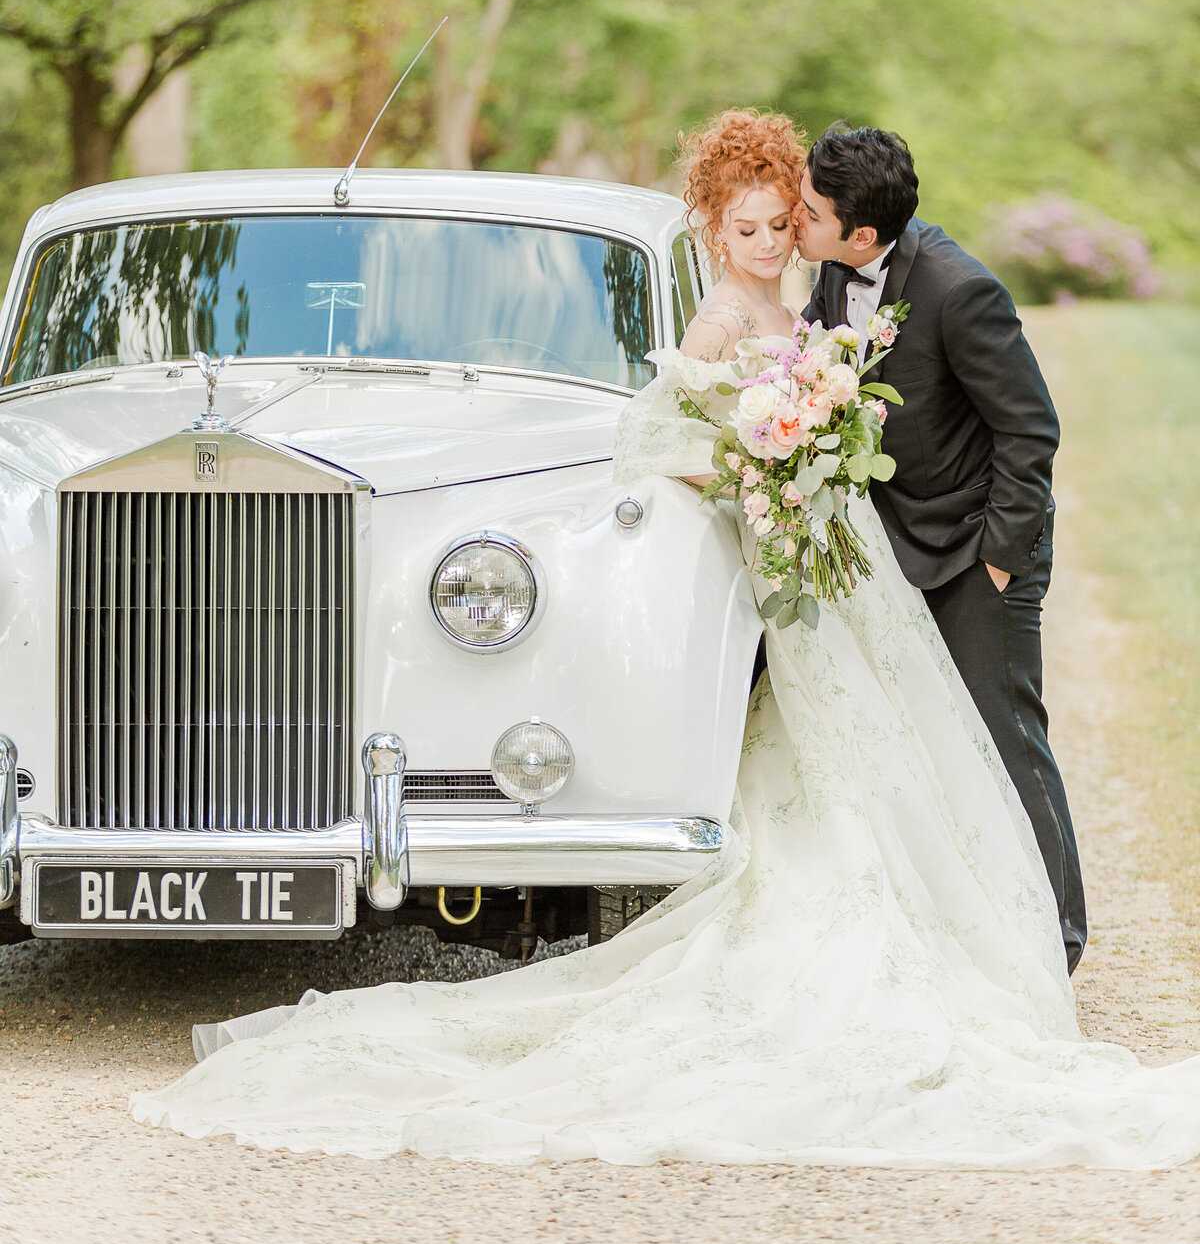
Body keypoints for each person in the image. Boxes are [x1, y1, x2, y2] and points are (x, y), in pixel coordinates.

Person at [130, 111, 1200, 1169]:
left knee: (983, 735)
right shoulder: (751, 311)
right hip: (820, 551)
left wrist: (997, 557)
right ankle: (949, 940)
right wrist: (754, 463)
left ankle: (1035, 944)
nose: (781, 241)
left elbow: (1025, 429)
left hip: (944, 551)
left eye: (793, 222)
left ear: (839, 233)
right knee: (841, 762)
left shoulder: (932, 288)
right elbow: (659, 433)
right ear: (715, 231)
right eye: (758, 226)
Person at [795, 124, 1085, 974]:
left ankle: (1058, 941)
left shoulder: (963, 292)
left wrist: (997, 560)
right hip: (895, 545)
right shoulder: (833, 268)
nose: (795, 220)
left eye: (810, 212)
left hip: (979, 546)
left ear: (863, 233)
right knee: (925, 738)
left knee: (1004, 735)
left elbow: (1031, 433)